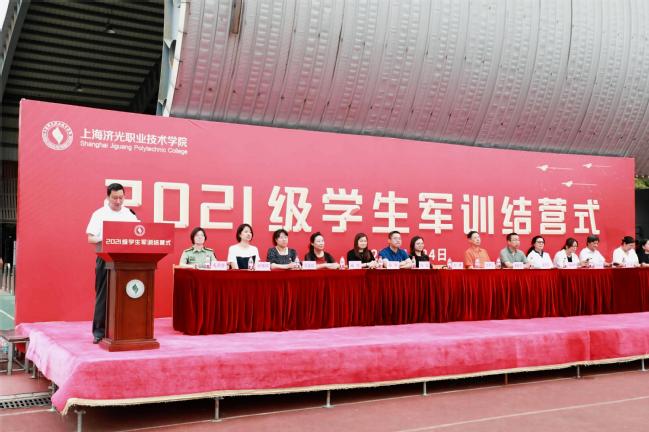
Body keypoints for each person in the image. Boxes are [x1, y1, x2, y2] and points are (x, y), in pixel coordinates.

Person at [86, 183, 139, 344]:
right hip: (106, 258)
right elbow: (91, 238)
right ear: (108, 197)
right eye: (114, 198)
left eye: (121, 198)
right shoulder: (99, 214)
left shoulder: (129, 214)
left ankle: (126, 329)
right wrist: (107, 239)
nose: (118, 201)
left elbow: (138, 233)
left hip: (126, 259)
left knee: (127, 294)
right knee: (103, 295)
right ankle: (99, 332)